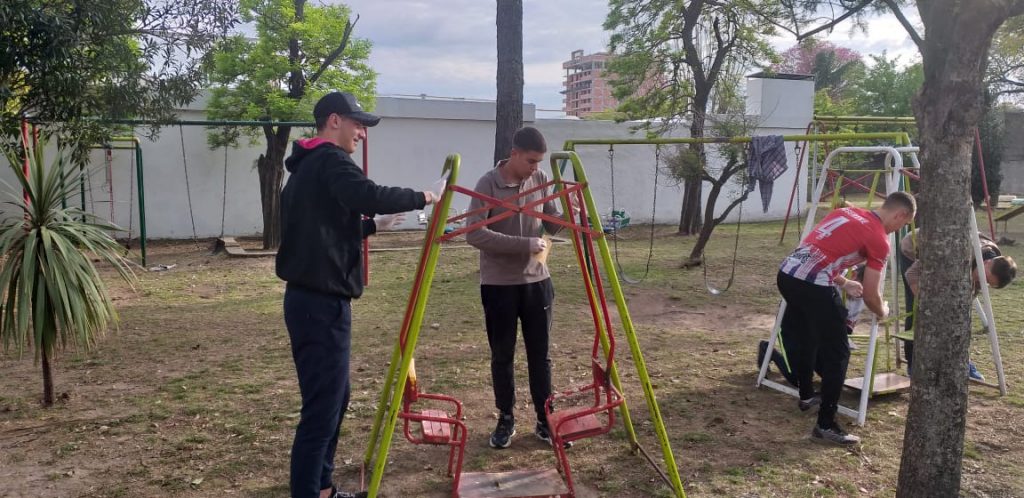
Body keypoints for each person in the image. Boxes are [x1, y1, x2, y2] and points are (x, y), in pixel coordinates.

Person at [276, 91, 439, 498]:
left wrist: (370, 227)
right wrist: (424, 196)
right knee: (321, 411)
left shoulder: (307, 168)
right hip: (319, 304)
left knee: (335, 399)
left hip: (313, 301)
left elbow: (322, 229)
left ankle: (324, 488)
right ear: (334, 120)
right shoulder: (329, 160)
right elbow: (366, 194)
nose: (362, 134)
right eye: (358, 124)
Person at [776, 192, 916, 445]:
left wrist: (843, 281)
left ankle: (807, 395)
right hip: (811, 284)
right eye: (903, 224)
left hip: (787, 274)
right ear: (900, 215)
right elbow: (872, 294)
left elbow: (816, 250)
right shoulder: (879, 239)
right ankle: (825, 425)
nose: (899, 229)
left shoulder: (845, 212)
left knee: (809, 335)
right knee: (839, 353)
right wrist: (882, 312)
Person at [465, 126, 568, 450]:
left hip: (538, 281)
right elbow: (474, 234)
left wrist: (566, 216)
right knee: (502, 355)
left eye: (539, 162)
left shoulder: (538, 180)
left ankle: (544, 419)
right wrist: (524, 244)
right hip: (499, 285)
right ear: (514, 154)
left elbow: (550, 219)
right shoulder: (488, 184)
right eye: (531, 161)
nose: (535, 168)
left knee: (541, 356)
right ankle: (505, 418)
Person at [899, 228, 1016, 378]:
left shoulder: (990, 261)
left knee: (957, 316)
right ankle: (913, 363)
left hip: (947, 254)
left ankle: (961, 362)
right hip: (916, 247)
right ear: (986, 263)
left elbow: (970, 296)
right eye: (984, 279)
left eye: (988, 283)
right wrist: (927, 305)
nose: (982, 283)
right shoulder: (958, 251)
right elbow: (912, 274)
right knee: (917, 310)